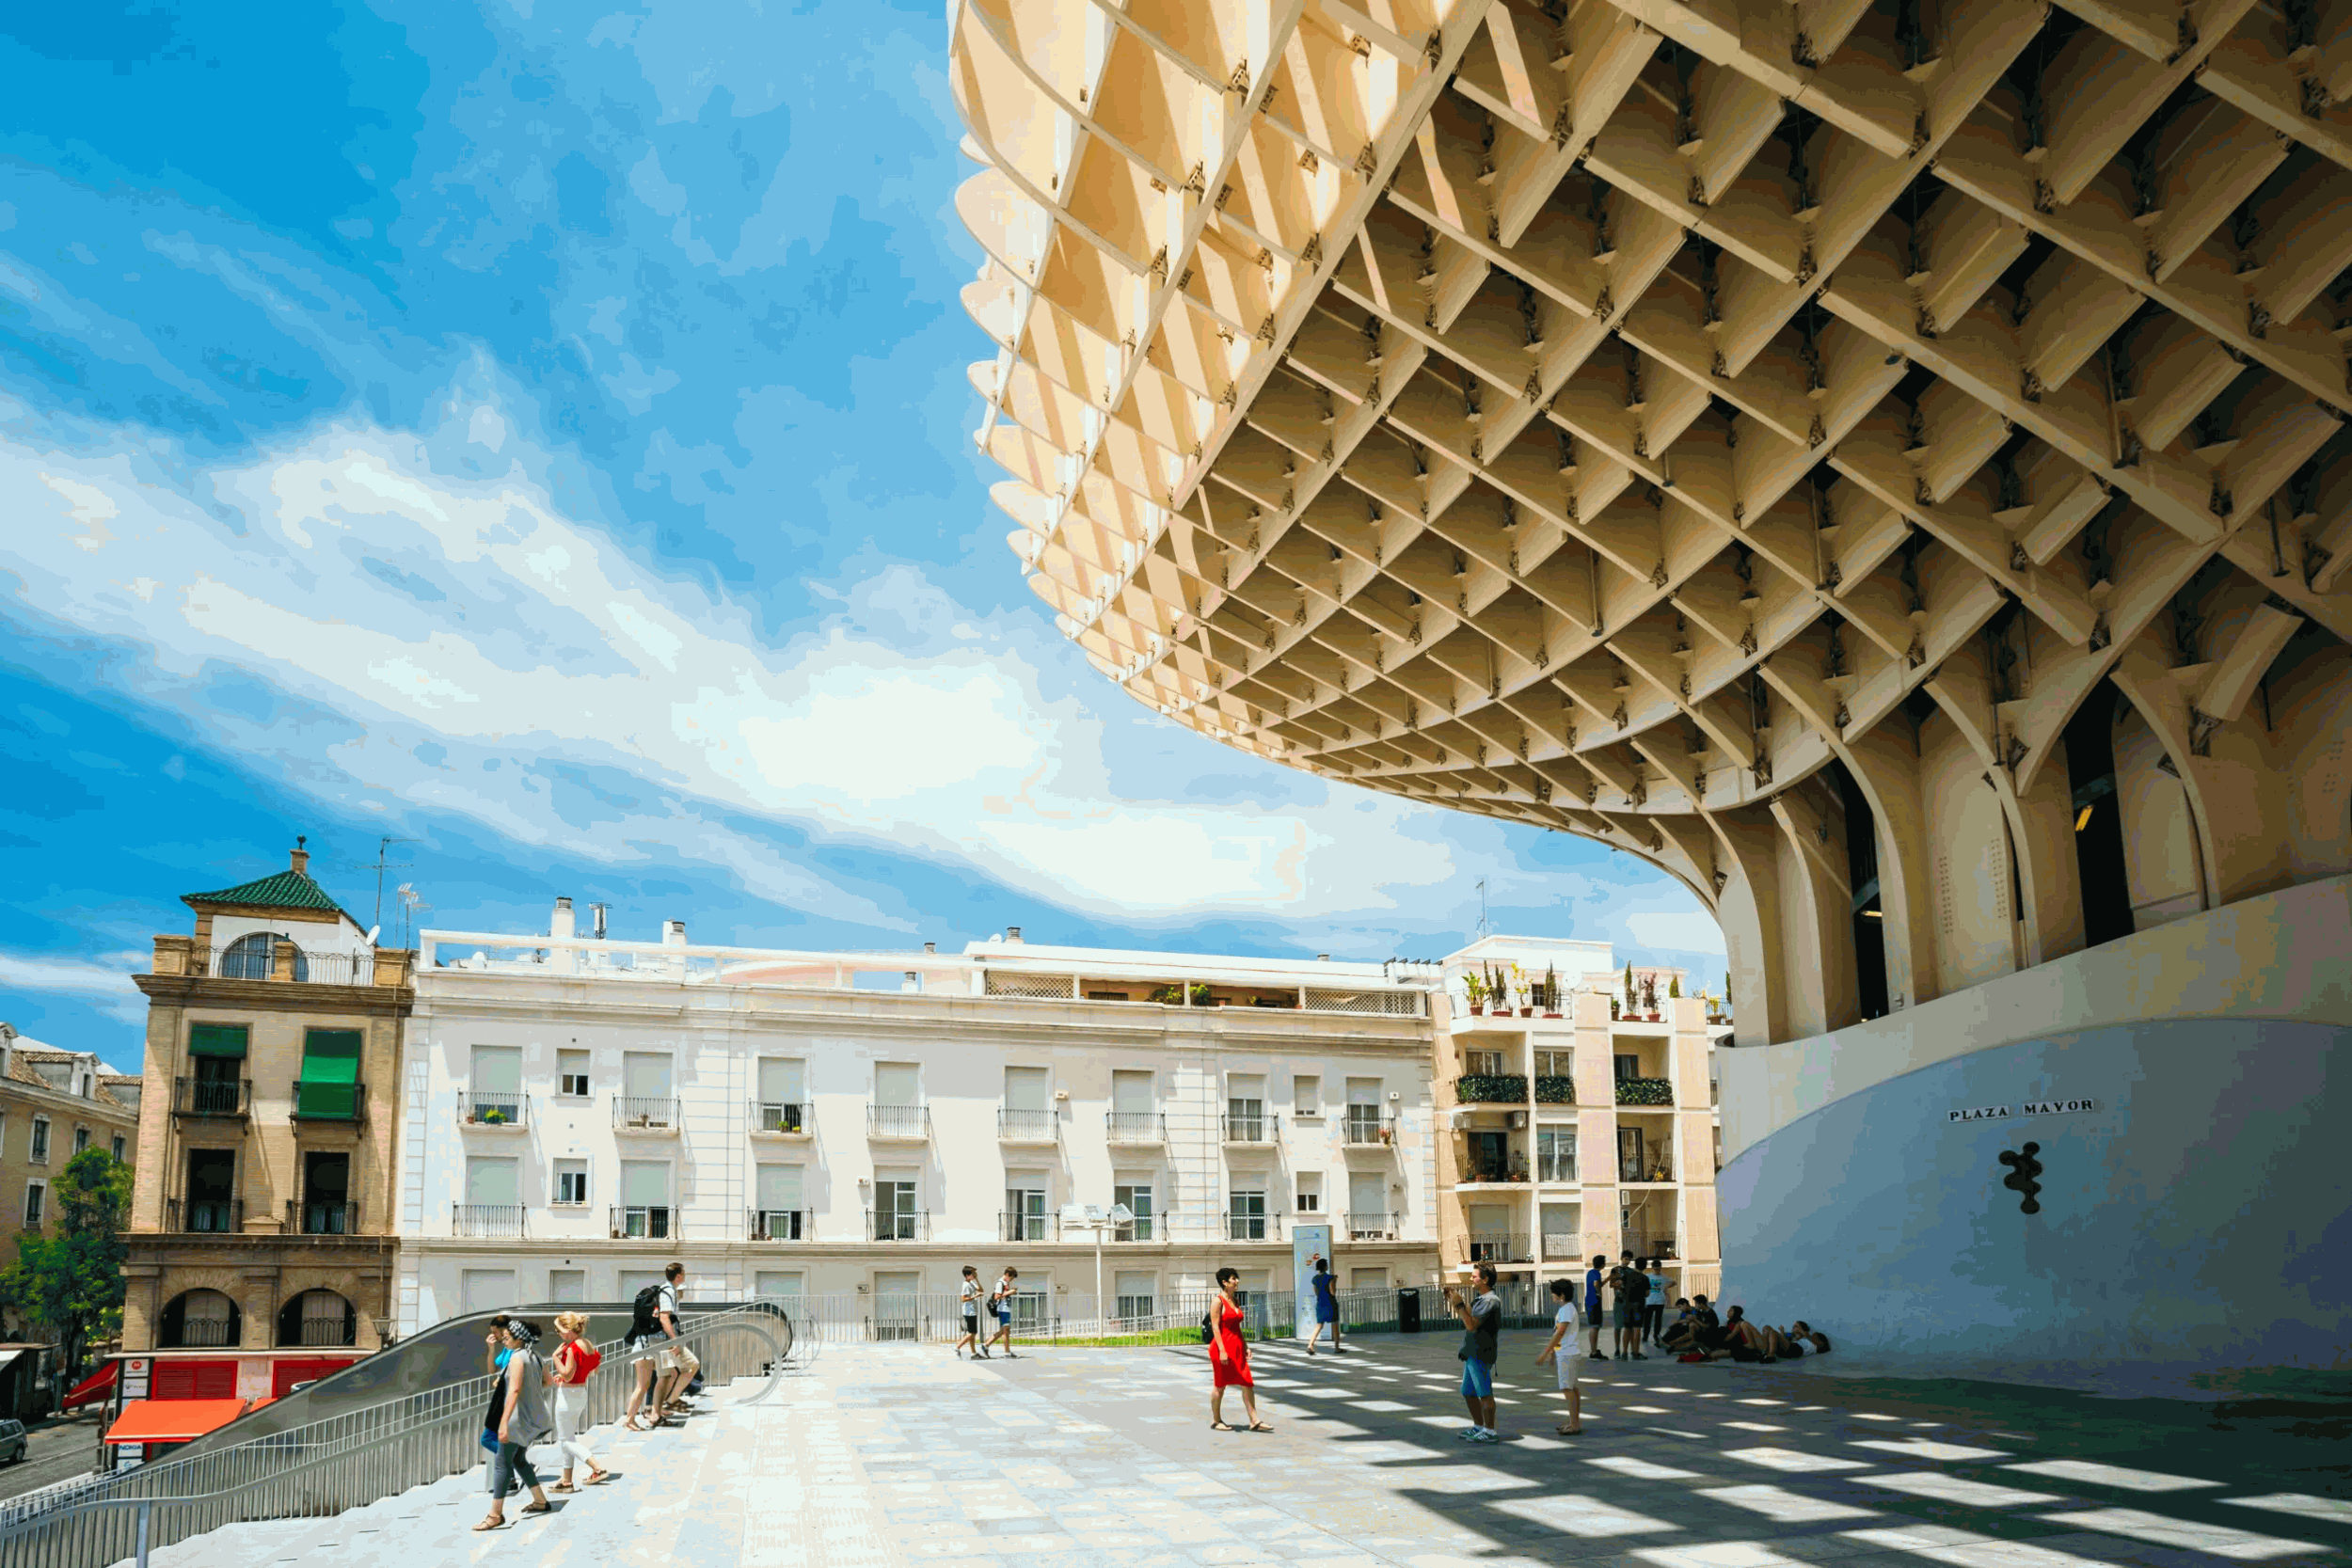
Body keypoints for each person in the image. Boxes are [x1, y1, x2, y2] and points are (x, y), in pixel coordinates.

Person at [474, 1320, 553, 1531]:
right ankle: (540, 1500)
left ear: (518, 1338)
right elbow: (548, 1381)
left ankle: (495, 1515)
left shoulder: (517, 1358)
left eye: (507, 1337)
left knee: (501, 1463)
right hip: (531, 1417)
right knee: (518, 1459)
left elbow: (514, 1390)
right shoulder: (535, 1355)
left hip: (516, 1419)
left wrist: (504, 1422)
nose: (504, 1340)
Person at [546, 1311, 609, 1491]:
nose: (558, 1334)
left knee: (565, 1441)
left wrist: (555, 1358)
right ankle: (566, 1481)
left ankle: (597, 1467)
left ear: (567, 1329)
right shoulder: (586, 1343)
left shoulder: (571, 1348)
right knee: (569, 1438)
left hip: (567, 1396)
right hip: (581, 1392)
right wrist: (571, 1375)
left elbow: (567, 1374)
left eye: (559, 1330)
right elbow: (594, 1365)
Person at [1446, 1263, 1503, 1443]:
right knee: (1468, 1392)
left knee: (1484, 1392)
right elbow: (1467, 1318)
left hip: (1481, 1353)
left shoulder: (1490, 1301)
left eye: (1475, 1276)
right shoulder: (1480, 1300)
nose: (1471, 1278)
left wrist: (1459, 1305)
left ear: (1485, 1280)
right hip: (1472, 1352)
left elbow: (1471, 1325)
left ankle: (1490, 1431)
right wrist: (1456, 1302)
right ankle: (1479, 1427)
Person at [1207, 1266, 1267, 1432]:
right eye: (1233, 1278)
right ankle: (1216, 1420)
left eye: (1236, 1278)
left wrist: (1246, 1346)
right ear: (1224, 1282)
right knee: (1220, 1384)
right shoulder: (1218, 1301)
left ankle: (1254, 1421)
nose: (1237, 1281)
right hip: (1222, 1347)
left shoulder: (1235, 1300)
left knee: (1247, 1382)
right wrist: (1222, 1350)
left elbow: (1237, 1328)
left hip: (1237, 1346)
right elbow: (1215, 1327)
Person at [1533, 1278, 1584, 1435]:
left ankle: (1574, 1425)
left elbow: (1560, 1332)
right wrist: (1554, 1353)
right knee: (1572, 1388)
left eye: (1554, 1293)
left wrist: (1545, 1353)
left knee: (1568, 1389)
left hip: (1567, 1354)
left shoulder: (1566, 1310)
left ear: (1561, 1295)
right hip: (1568, 1353)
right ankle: (1574, 1422)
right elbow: (1561, 1333)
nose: (1552, 1296)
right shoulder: (1567, 1309)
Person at [649, 1262, 691, 1419]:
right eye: (684, 1274)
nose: (685, 1277)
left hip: (663, 1340)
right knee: (665, 1376)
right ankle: (654, 1413)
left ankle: (658, 1409)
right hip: (663, 1341)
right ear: (679, 1276)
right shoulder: (668, 1291)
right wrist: (674, 1340)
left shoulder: (668, 1290)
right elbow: (664, 1317)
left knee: (670, 1374)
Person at [1611, 1250, 1649, 1360]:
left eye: (1629, 1259)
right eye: (1626, 1259)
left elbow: (1620, 1286)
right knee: (1634, 1328)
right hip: (1635, 1305)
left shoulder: (1628, 1274)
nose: (1627, 1261)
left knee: (1627, 1328)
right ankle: (1633, 1351)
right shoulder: (1644, 1277)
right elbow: (1647, 1293)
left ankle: (1625, 1352)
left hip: (1626, 1304)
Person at [1305, 1254, 1342, 1355]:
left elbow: (1316, 1292)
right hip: (1330, 1304)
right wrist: (1335, 1281)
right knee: (1335, 1325)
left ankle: (1310, 1345)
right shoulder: (1330, 1278)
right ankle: (1337, 1348)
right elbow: (1333, 1292)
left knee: (1319, 1325)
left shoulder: (1315, 1279)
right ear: (1325, 1267)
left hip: (1320, 1303)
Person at [984, 1266, 1021, 1359]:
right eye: (1011, 1277)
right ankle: (1007, 1352)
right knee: (1006, 1331)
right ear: (1007, 1274)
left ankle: (986, 1345)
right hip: (1002, 1309)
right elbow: (997, 1296)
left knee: (1004, 1331)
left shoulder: (1005, 1283)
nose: (1011, 1280)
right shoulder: (1000, 1283)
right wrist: (1009, 1292)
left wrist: (1011, 1292)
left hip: (1006, 1308)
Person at [956, 1265, 989, 1359]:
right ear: (967, 1275)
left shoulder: (971, 1283)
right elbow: (963, 1299)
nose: (974, 1275)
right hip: (969, 1311)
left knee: (972, 1333)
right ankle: (957, 1347)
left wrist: (977, 1279)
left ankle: (973, 1353)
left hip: (972, 1310)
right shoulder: (966, 1285)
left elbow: (981, 1290)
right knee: (972, 1332)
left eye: (975, 1273)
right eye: (973, 1273)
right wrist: (975, 1296)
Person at [1583, 1257, 1608, 1360]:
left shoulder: (1590, 1273)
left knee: (1594, 1326)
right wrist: (1599, 1294)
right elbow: (1597, 1284)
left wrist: (1609, 1278)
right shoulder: (1597, 1273)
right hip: (1594, 1302)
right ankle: (1594, 1352)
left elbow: (1599, 1284)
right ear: (1602, 1264)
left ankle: (1594, 1349)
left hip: (1589, 1301)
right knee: (1595, 1326)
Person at [1644, 1259, 1669, 1345]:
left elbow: (1673, 1282)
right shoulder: (1648, 1276)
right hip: (1649, 1301)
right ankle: (1645, 1335)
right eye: (1655, 1269)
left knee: (1658, 1320)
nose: (1657, 1270)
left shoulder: (1663, 1277)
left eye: (1658, 1269)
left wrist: (1665, 1288)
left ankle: (1656, 1335)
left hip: (1660, 1301)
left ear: (1660, 1268)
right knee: (1647, 1320)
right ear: (1652, 1268)